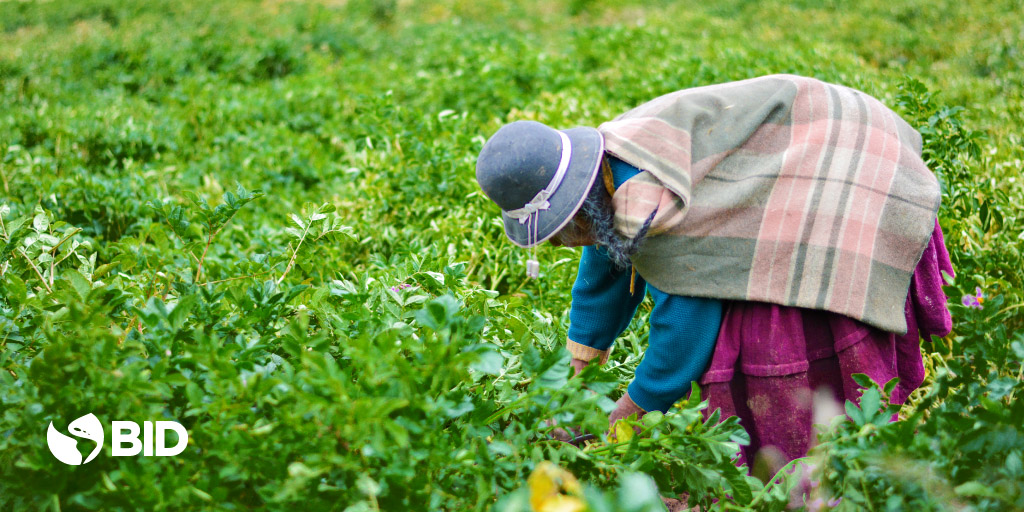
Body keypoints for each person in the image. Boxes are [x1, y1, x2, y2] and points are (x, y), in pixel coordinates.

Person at [474, 74, 953, 468]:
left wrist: (625, 417)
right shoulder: (601, 174)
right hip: (817, 122)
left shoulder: (648, 204)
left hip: (849, 153)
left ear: (578, 204)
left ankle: (825, 461)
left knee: (757, 324)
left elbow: (686, 332)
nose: (560, 241)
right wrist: (576, 373)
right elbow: (602, 273)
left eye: (558, 228)